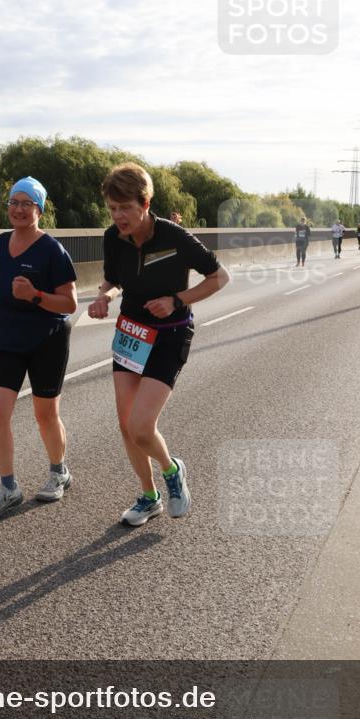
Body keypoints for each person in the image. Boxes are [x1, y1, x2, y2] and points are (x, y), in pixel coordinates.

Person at [87, 163, 230, 526]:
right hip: (131, 334)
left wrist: (177, 300)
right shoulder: (112, 237)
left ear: (145, 202)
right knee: (125, 424)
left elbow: (219, 277)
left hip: (170, 335)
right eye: (112, 208)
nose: (118, 216)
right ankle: (149, 497)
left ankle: (171, 470)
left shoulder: (174, 236)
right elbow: (113, 279)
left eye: (126, 208)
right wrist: (104, 296)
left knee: (141, 426)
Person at [0, 177, 78, 517]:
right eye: (14, 202)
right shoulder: (3, 242)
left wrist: (34, 295)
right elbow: (2, 281)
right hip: (6, 340)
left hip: (46, 340)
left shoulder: (52, 250)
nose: (18, 209)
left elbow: (69, 302)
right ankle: (8, 487)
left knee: (45, 413)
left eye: (27, 204)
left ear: (39, 209)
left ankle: (58, 472)